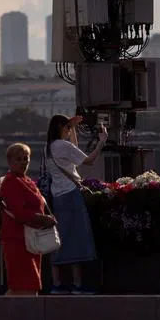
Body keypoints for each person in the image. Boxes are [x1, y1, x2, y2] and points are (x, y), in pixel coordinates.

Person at [44, 114, 105, 294]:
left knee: (61, 239)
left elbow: (74, 153)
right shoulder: (63, 146)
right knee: (77, 238)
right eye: (68, 128)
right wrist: (102, 141)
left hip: (57, 196)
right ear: (63, 129)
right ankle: (78, 285)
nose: (70, 131)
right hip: (71, 195)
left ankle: (57, 284)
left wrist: (72, 128)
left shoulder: (49, 147)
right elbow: (88, 160)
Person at [0, 143, 55, 296]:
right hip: (18, 240)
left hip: (31, 239)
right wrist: (43, 219)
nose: (23, 162)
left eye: (26, 159)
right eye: (19, 159)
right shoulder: (11, 181)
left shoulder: (27, 180)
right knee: (24, 285)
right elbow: (19, 213)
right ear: (10, 161)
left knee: (30, 284)